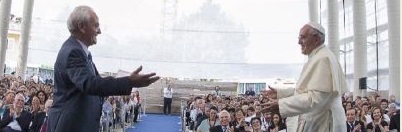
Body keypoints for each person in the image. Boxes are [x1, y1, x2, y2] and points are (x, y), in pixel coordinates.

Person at [47, 5, 160, 132]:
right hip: (71, 126)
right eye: (95, 25)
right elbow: (90, 84)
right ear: (81, 27)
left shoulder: (82, 52)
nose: (99, 31)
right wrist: (129, 82)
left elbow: (96, 85)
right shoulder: (73, 52)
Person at [261, 22, 348, 132]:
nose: (298, 42)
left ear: (316, 39)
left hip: (324, 123)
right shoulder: (318, 56)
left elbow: (315, 98)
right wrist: (281, 94)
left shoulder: (323, 58)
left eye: (303, 37)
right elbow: (307, 90)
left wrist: (282, 104)